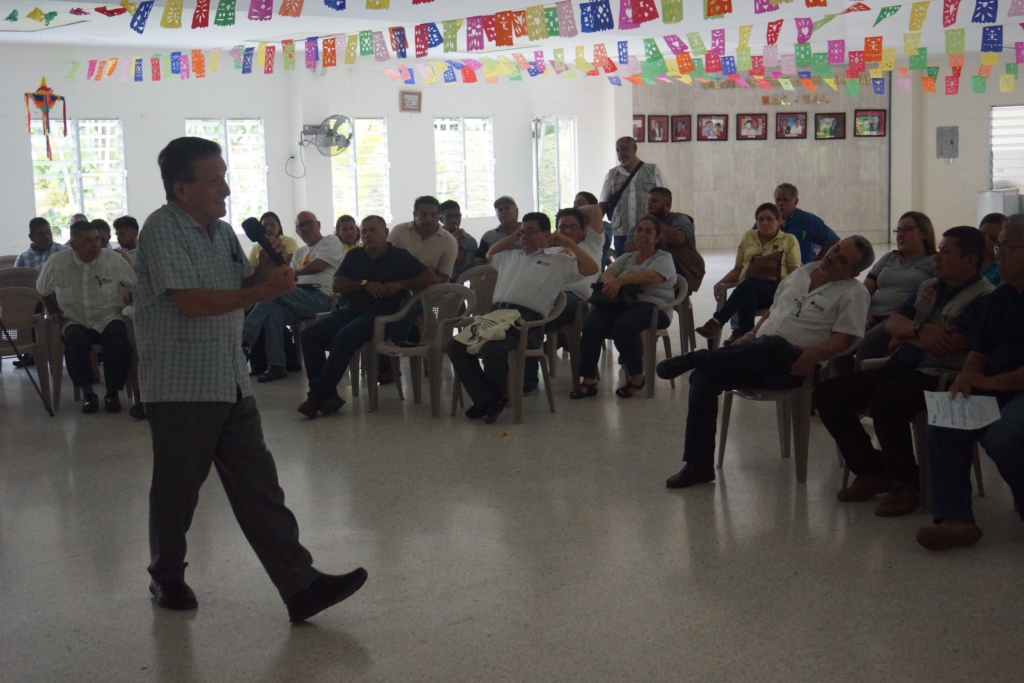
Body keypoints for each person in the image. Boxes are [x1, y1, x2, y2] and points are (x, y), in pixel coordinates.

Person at [135, 136, 366, 620]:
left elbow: (239, 286)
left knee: (261, 489)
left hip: (230, 380)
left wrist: (264, 275)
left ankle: (300, 586)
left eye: (225, 177)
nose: (226, 189)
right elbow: (191, 302)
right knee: (178, 491)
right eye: (214, 180)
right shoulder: (162, 229)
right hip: (182, 385)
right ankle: (166, 576)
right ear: (181, 188)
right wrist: (259, 293)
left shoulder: (222, 233)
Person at [658, 237, 875, 489]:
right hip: (756, 354)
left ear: (854, 273)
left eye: (842, 260)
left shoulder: (854, 293)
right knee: (704, 376)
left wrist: (816, 353)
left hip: (796, 365)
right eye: (836, 249)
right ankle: (699, 466)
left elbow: (845, 339)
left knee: (775, 345)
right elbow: (773, 311)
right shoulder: (802, 273)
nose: (832, 257)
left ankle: (697, 357)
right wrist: (750, 334)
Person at [814, 227, 992, 516]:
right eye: (939, 250)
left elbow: (950, 344)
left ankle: (908, 483)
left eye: (946, 252)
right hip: (902, 365)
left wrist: (906, 336)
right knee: (828, 393)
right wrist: (920, 330)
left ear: (969, 260)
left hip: (939, 376)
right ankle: (873, 471)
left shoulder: (983, 297)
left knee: (887, 400)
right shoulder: (930, 286)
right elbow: (893, 323)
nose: (937, 258)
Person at [918, 214, 1024, 551]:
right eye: (998, 247)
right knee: (946, 418)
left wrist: (987, 382)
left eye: (1007, 248)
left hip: (1013, 388)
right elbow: (980, 350)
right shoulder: (1001, 298)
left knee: (1004, 438)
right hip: (994, 384)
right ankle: (956, 519)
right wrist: (965, 378)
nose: (997, 255)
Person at [446, 212, 599, 424]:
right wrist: (515, 235)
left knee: (493, 349)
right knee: (455, 346)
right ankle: (490, 399)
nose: (525, 237)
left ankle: (491, 400)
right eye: (523, 232)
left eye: (532, 231)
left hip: (525, 322)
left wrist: (567, 242)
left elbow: (592, 268)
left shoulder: (558, 259)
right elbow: (490, 253)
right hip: (495, 316)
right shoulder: (511, 256)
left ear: (546, 235)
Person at [298, 216, 433, 418]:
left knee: (345, 336)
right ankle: (327, 395)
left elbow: (429, 278)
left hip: (382, 315)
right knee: (309, 335)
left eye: (372, 230)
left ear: (385, 233)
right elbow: (337, 284)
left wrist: (399, 285)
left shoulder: (399, 256)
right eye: (364, 232)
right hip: (350, 309)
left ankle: (316, 396)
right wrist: (364, 284)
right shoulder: (355, 255)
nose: (367, 235)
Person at [573, 215, 676, 400]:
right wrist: (611, 282)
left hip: (654, 306)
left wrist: (620, 281)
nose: (641, 234)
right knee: (591, 325)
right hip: (623, 303)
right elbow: (606, 274)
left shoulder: (663, 257)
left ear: (657, 238)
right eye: (639, 230)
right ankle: (589, 379)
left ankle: (637, 376)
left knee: (623, 327)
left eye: (648, 231)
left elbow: (650, 276)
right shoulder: (628, 257)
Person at [37, 220, 135, 414]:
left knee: (117, 337)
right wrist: (53, 310)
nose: (95, 245)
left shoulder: (113, 260)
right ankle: (88, 394)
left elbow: (135, 285)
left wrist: (130, 305)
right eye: (88, 241)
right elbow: (42, 289)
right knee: (73, 339)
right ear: (73, 245)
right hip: (75, 319)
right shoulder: (58, 262)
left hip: (108, 317)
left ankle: (113, 393)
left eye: (97, 239)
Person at [242, 211, 344, 383]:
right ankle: (277, 365)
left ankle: (245, 338)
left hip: (321, 297)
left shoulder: (330, 241)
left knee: (273, 292)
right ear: (297, 231)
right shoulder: (299, 252)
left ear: (318, 224)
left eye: (308, 223)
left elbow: (317, 266)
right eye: (300, 226)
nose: (305, 228)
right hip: (297, 296)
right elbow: (287, 276)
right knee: (273, 311)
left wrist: (293, 273)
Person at [522, 204, 606, 395]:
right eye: (562, 227)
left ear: (583, 229)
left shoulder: (591, 244)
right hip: (547, 297)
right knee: (522, 320)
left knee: (531, 324)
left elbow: (595, 210)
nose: (567, 231)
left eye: (572, 226)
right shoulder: (552, 251)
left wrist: (568, 212)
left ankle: (528, 380)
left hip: (575, 301)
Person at [695, 203, 801, 346]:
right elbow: (738, 269)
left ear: (779, 220)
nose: (764, 223)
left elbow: (794, 272)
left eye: (769, 219)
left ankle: (717, 321)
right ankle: (746, 345)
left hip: (775, 291)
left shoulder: (789, 240)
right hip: (748, 290)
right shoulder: (748, 237)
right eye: (760, 219)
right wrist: (720, 283)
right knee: (748, 299)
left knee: (752, 282)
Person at [856, 212, 936, 361]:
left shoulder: (933, 261)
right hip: (871, 315)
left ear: (924, 233)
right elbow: (864, 291)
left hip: (898, 319)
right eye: (898, 230)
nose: (900, 234)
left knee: (866, 343)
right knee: (839, 336)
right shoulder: (889, 258)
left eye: (906, 229)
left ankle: (858, 375)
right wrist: (863, 313)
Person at [624, 187, 704, 294]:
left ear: (667, 205)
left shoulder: (680, 218)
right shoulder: (642, 223)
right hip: (645, 266)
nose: (649, 204)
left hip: (679, 266)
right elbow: (628, 248)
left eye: (654, 201)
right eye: (648, 201)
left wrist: (654, 225)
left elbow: (679, 238)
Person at [599, 137, 667, 257]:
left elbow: (665, 199)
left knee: (647, 262)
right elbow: (603, 204)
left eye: (624, 149)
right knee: (623, 263)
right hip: (621, 232)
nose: (620, 153)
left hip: (646, 230)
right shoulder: (612, 175)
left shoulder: (652, 170)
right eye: (617, 150)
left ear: (634, 149)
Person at [771, 183, 840, 264]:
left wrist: (813, 266)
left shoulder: (808, 220)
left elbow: (833, 241)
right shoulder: (767, 220)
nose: (781, 204)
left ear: (796, 201)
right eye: (778, 200)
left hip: (801, 268)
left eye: (785, 200)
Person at [474, 196, 522, 266]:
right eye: (500, 210)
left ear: (516, 211)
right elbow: (478, 263)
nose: (504, 211)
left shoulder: (529, 232)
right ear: (497, 215)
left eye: (507, 208)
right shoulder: (488, 236)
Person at [440, 199, 477, 282]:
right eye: (449, 217)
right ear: (441, 219)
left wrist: (458, 243)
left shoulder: (469, 241)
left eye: (457, 216)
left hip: (459, 283)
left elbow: (465, 267)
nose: (454, 220)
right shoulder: (436, 238)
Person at [574, 191, 612, 270]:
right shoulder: (573, 227)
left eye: (580, 203)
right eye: (574, 203)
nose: (575, 206)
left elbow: (600, 240)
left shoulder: (605, 226)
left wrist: (572, 213)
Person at [978, 212, 1006, 286]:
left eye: (993, 238)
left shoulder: (1004, 265)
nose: (986, 240)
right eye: (982, 234)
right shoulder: (968, 260)